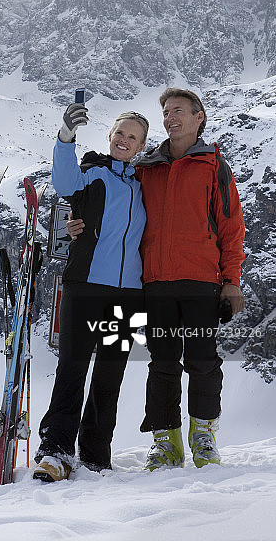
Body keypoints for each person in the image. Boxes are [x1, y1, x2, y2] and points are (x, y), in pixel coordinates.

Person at [67, 88, 245, 471]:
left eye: (178, 110)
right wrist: (77, 220)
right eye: (165, 112)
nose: (170, 117)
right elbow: (111, 200)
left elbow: (232, 228)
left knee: (202, 360)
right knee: (162, 362)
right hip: (155, 284)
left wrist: (232, 280)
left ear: (199, 117)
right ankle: (166, 443)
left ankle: (203, 438)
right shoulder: (147, 168)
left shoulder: (214, 166)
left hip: (201, 282)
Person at [33, 103, 149, 482]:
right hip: (85, 286)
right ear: (110, 136)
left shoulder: (144, 186)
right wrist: (66, 137)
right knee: (72, 368)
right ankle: (56, 451)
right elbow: (64, 183)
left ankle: (96, 455)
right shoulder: (93, 173)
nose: (124, 140)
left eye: (132, 137)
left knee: (110, 375)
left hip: (128, 295)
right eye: (120, 133)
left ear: (141, 146)